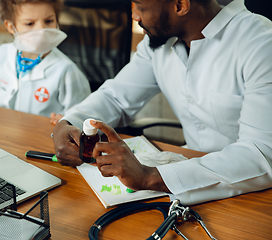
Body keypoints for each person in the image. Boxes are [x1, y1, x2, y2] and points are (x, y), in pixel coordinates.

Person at [52, 0, 272, 205]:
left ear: (180, 5)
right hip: (184, 177)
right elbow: (116, 97)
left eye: (140, 6)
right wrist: (70, 121)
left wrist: (149, 177)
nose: (134, 15)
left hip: (252, 193)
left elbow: (261, 154)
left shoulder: (261, 44)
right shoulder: (159, 41)